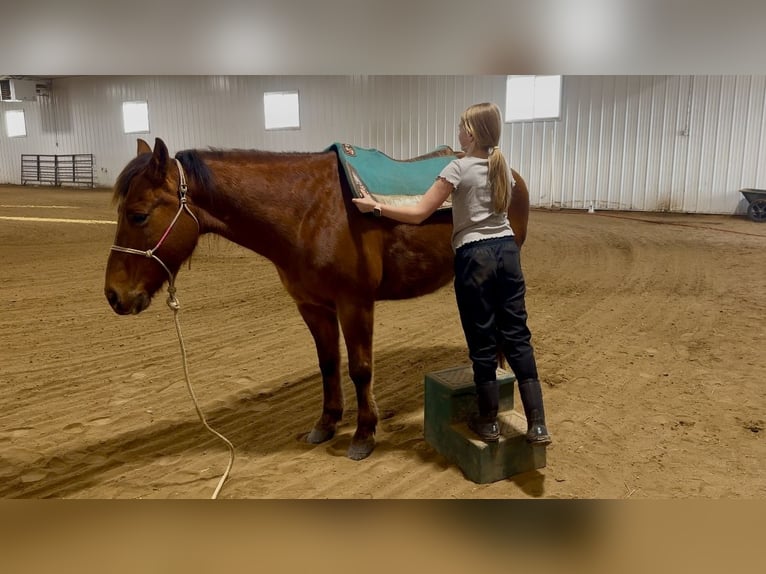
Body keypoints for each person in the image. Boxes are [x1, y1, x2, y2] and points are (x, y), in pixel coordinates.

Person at [352, 102, 551, 445]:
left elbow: (418, 213)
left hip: (475, 257)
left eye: (461, 127)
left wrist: (377, 208)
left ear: (471, 134)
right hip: (507, 253)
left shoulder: (457, 168)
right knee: (517, 335)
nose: (457, 132)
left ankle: (487, 420)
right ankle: (537, 424)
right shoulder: (502, 168)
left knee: (482, 339)